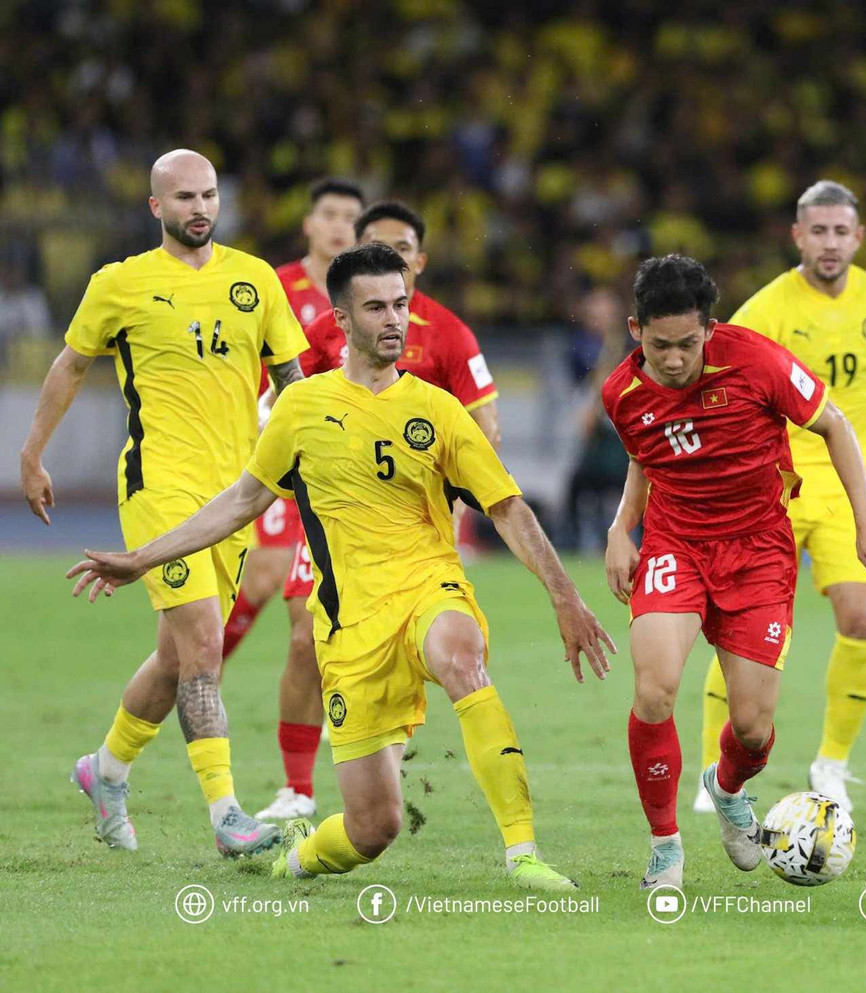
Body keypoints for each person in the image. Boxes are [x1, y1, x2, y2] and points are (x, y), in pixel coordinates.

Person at [68, 243, 613, 891]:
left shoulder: (437, 409)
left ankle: (523, 853)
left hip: (428, 588)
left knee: (463, 657)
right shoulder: (301, 409)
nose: (394, 319)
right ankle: (296, 857)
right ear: (341, 320)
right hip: (350, 629)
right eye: (376, 307)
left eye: (401, 304)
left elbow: (508, 508)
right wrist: (142, 557)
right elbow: (240, 503)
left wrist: (565, 596)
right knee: (373, 828)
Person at [20, 149, 308, 856]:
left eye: (208, 194)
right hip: (159, 485)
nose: (199, 208)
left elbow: (292, 380)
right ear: (156, 206)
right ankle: (227, 815)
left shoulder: (255, 279)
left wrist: (315, 453)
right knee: (205, 643)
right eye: (184, 197)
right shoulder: (120, 283)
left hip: (236, 496)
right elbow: (71, 364)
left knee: (177, 660)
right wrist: (32, 453)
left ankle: (105, 770)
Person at [602, 254, 866, 890]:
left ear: (709, 330)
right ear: (636, 331)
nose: (675, 360)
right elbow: (644, 456)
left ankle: (727, 786)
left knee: (752, 729)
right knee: (654, 690)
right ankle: (664, 846)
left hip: (759, 551)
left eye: (688, 344)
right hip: (676, 544)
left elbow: (835, 425)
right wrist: (621, 528)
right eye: (660, 346)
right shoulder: (620, 395)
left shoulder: (756, 361)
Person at [253, 200, 501, 821]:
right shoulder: (328, 332)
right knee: (304, 640)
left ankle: (380, 768)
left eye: (403, 247)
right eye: (378, 244)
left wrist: (454, 488)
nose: (394, 257)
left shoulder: (449, 334)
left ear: (420, 260)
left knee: (426, 649)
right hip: (334, 520)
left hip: (414, 529)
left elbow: (485, 428)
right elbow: (285, 405)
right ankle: (297, 788)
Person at [695, 180, 866, 813]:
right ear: (797, 236)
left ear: (858, 237)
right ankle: (715, 770)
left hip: (850, 489)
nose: (829, 243)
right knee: (741, 630)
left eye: (840, 232)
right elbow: (716, 390)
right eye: (818, 231)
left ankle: (832, 765)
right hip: (772, 488)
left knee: (863, 617)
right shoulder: (765, 311)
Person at [223, 178, 364, 664]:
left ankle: (334, 699)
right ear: (308, 224)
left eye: (350, 218)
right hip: (276, 448)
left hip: (342, 462)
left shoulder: (367, 296)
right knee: (266, 571)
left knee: (327, 598)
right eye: (330, 215)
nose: (339, 226)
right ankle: (199, 670)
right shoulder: (275, 287)